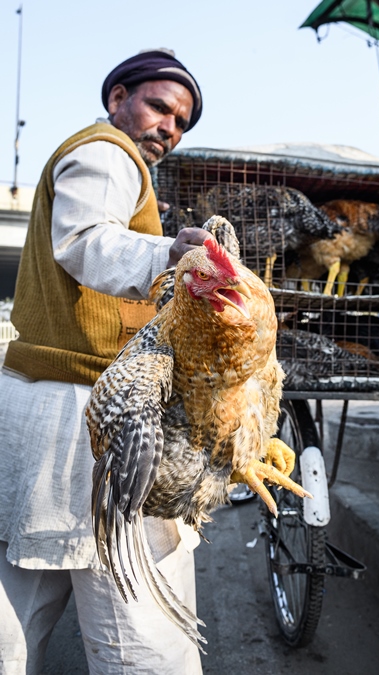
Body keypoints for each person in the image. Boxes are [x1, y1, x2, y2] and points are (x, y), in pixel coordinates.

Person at [0, 49, 211, 674]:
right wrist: (167, 252)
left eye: (181, 123)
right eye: (160, 107)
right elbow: (86, 239)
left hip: (47, 410)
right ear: (118, 96)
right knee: (139, 623)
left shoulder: (111, 163)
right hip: (87, 414)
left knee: (18, 611)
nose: (169, 129)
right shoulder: (105, 152)